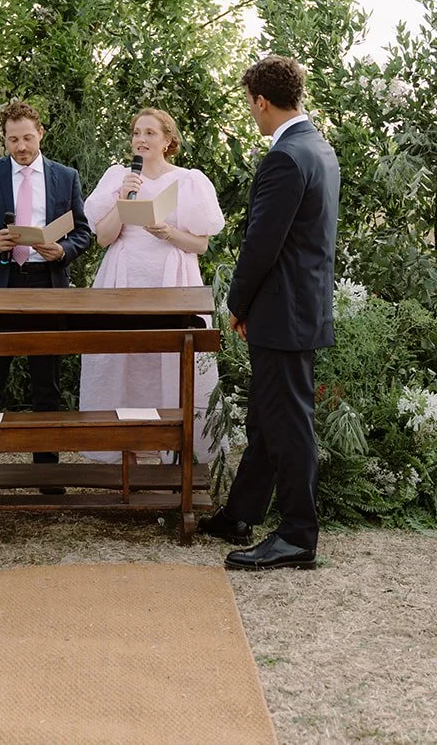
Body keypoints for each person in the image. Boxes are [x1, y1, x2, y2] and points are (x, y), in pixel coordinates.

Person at [197, 55, 340, 571]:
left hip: (283, 311)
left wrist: (237, 303)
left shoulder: (285, 156)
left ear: (261, 101)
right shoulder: (318, 148)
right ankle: (242, 512)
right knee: (267, 413)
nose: (253, 114)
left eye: (251, 105)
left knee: (289, 422)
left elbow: (263, 242)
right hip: (299, 306)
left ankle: (299, 536)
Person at [79, 108, 224, 463]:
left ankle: (174, 447)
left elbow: (201, 245)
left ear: (168, 140)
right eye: (136, 133)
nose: (141, 140)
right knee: (124, 360)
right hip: (123, 277)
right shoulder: (119, 176)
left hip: (171, 279)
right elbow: (102, 237)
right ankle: (125, 445)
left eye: (149, 133)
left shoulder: (189, 181)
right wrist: (121, 200)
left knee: (169, 358)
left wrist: (169, 232)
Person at [0, 100, 94, 446]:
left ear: (40, 133)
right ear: (4, 140)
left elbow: (83, 232)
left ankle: (49, 471)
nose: (21, 147)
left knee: (46, 382)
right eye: (13, 140)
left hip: (46, 285)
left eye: (27, 138)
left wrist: (63, 250)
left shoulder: (66, 177)